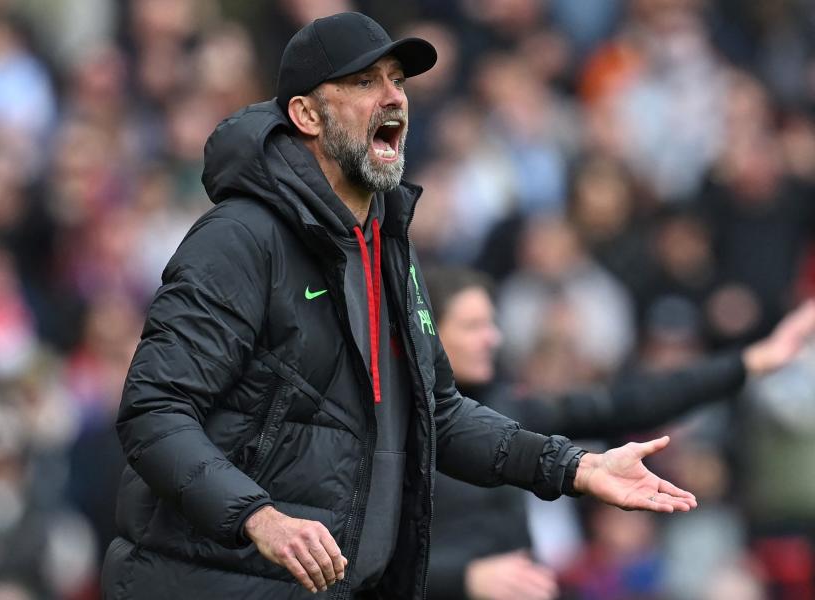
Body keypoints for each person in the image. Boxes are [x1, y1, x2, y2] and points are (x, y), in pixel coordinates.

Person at [101, 13, 697, 600]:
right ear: (307, 115)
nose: (393, 98)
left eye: (398, 81)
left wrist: (576, 468)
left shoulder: (386, 244)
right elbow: (154, 411)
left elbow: (437, 413)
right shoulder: (241, 238)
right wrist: (259, 517)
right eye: (364, 83)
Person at [422, 266, 815, 600]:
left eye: (492, 323)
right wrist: (463, 578)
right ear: (428, 334)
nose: (493, 337)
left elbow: (632, 401)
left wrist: (751, 362)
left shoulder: (508, 408)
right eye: (473, 326)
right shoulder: (401, 428)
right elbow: (372, 559)